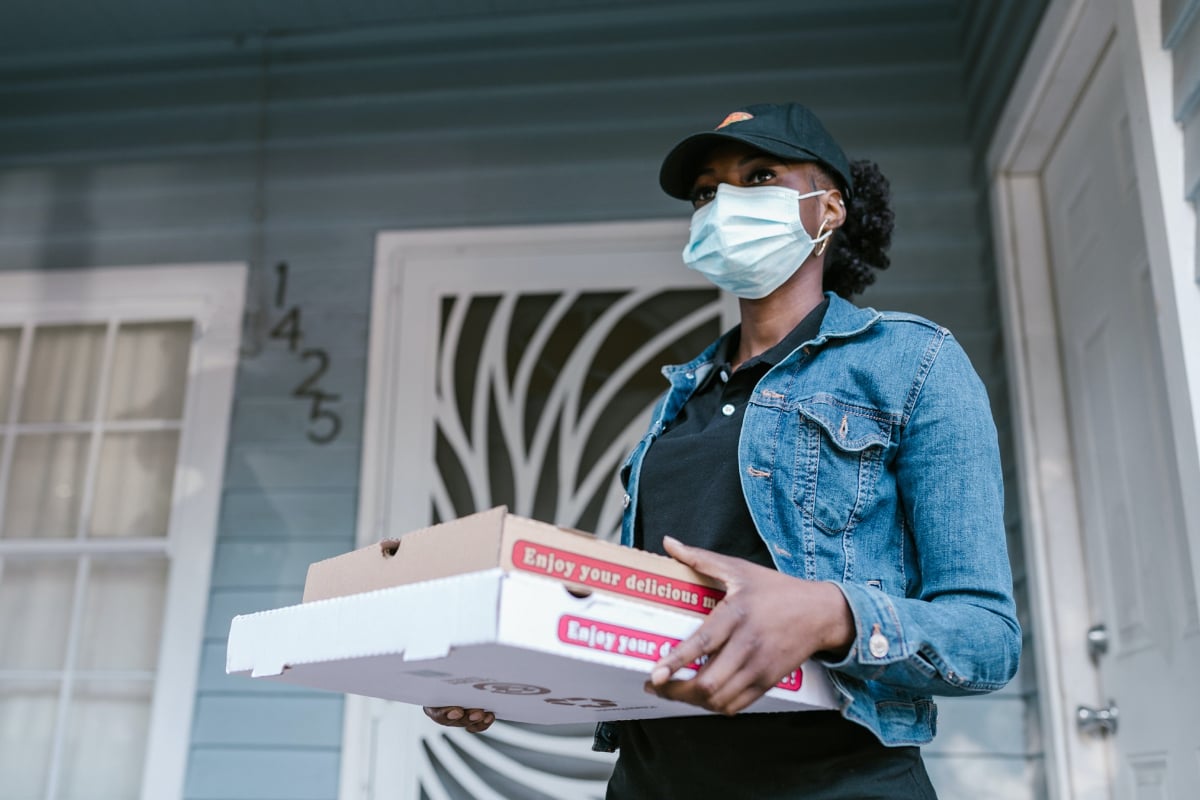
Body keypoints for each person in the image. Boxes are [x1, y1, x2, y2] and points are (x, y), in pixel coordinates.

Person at [425, 102, 1021, 799]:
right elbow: (652, 619)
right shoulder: (677, 402)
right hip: (652, 780)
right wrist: (507, 669)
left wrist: (831, 612)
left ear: (828, 209)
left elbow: (986, 639)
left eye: (759, 176)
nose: (723, 204)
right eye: (708, 192)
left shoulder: (915, 365)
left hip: (836, 783)